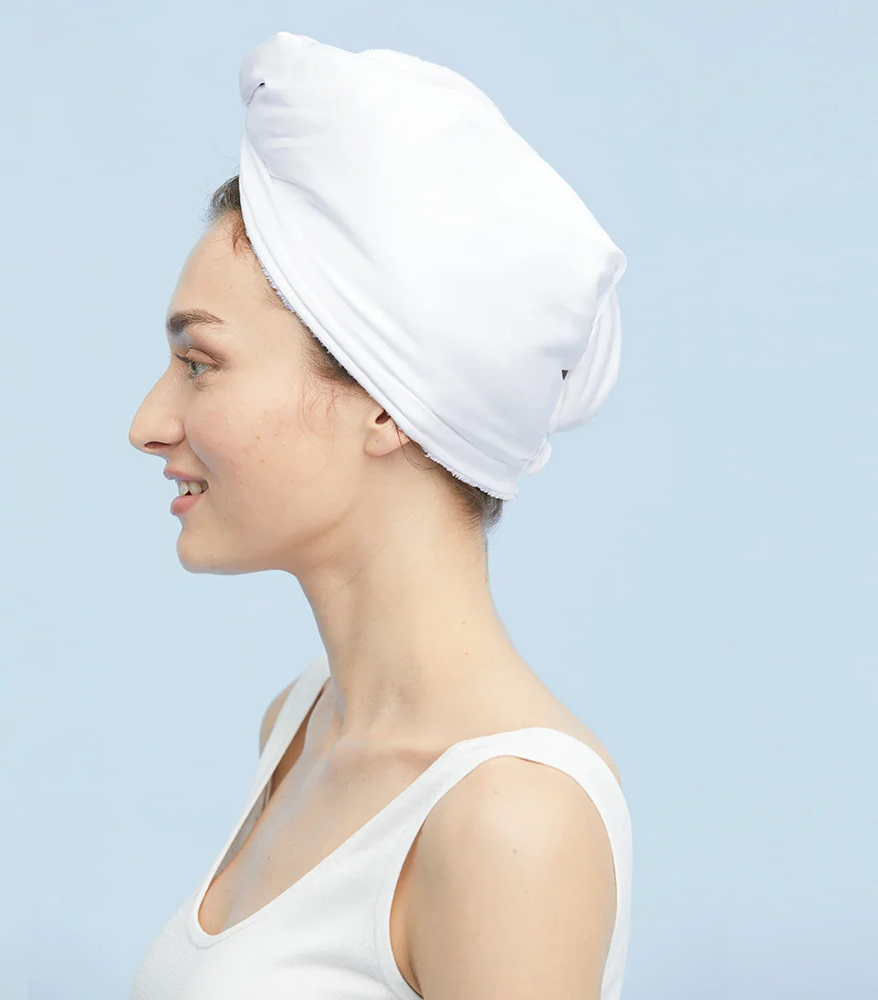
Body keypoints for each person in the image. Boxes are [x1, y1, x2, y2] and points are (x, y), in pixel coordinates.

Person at [127, 31, 632, 1000]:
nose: (148, 423)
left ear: (387, 404)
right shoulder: (300, 726)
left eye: (200, 363)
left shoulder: (509, 816)